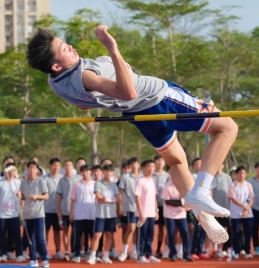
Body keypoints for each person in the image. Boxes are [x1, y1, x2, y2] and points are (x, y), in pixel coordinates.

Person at [26, 25, 236, 243]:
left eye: (65, 43)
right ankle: (201, 191)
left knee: (175, 162)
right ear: (57, 64)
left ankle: (202, 215)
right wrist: (112, 49)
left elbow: (82, 106)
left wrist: (106, 73)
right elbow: (128, 92)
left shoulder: (55, 82)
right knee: (227, 128)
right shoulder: (85, 75)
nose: (70, 47)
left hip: (139, 114)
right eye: (64, 49)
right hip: (160, 98)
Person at [88, 164, 121, 265]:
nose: (108, 173)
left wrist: (108, 199)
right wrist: (107, 199)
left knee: (109, 234)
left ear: (112, 173)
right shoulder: (98, 183)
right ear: (103, 172)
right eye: (106, 171)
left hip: (111, 214)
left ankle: (106, 255)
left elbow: (118, 198)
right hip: (101, 214)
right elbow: (98, 196)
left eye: (110, 171)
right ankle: (92, 256)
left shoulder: (114, 185)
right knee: (97, 235)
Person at [0, 164, 25, 262]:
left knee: (16, 234)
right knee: (2, 234)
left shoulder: (18, 183)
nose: (11, 173)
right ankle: (3, 253)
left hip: (14, 213)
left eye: (13, 170)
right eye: (9, 171)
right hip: (2, 214)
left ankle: (19, 253)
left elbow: (23, 197)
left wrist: (21, 208)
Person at [20, 161, 50, 268]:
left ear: (37, 170)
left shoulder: (41, 181)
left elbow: (46, 196)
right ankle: (33, 259)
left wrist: (37, 196)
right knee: (30, 238)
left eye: (34, 168)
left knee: (40, 237)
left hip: (39, 214)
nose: (32, 170)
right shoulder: (23, 183)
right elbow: (23, 197)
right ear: (27, 170)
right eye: (30, 168)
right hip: (28, 214)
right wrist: (19, 195)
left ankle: (45, 259)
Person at [163, 170, 193, 262]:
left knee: (185, 233)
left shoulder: (183, 187)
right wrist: (181, 202)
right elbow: (167, 201)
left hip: (181, 214)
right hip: (169, 215)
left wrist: (188, 205)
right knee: (171, 233)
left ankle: (186, 254)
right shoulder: (167, 187)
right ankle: (173, 254)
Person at [135, 160, 161, 264]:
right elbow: (137, 197)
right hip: (142, 214)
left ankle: (148, 254)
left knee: (150, 234)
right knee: (142, 235)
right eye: (148, 167)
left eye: (152, 167)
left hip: (151, 213)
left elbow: (154, 197)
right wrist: (141, 213)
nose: (150, 169)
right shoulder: (140, 181)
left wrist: (156, 210)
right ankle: (140, 255)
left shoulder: (152, 180)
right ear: (143, 168)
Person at [69, 165, 96, 263]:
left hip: (92, 214)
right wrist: (71, 213)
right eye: (83, 171)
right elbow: (72, 200)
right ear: (80, 173)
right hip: (79, 215)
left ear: (90, 172)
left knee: (93, 235)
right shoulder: (77, 185)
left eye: (87, 171)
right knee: (78, 235)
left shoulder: (95, 184)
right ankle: (76, 254)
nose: (85, 173)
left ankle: (93, 254)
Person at [56, 160, 82, 260]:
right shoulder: (61, 181)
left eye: (70, 165)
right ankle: (66, 251)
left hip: (77, 210)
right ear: (63, 168)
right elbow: (59, 196)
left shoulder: (79, 179)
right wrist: (58, 210)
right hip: (65, 209)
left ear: (73, 167)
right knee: (65, 231)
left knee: (76, 232)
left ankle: (76, 250)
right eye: (66, 165)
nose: (68, 167)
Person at [228, 166, 254, 259]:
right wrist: (244, 206)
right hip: (236, 214)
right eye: (240, 173)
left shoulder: (248, 185)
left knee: (248, 233)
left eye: (243, 173)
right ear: (236, 174)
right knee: (236, 233)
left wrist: (248, 207)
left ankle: (247, 251)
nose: (242, 175)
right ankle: (236, 251)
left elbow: (252, 198)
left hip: (248, 214)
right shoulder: (232, 185)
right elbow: (233, 198)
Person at [118, 157, 141, 261]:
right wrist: (120, 206)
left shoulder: (142, 177)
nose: (134, 166)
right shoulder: (125, 177)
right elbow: (121, 193)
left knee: (137, 230)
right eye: (132, 164)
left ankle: (135, 251)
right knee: (131, 228)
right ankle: (124, 251)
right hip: (131, 208)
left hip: (141, 208)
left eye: (136, 163)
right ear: (129, 166)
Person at [44, 158, 64, 260]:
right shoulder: (44, 179)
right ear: (50, 166)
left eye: (58, 166)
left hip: (58, 210)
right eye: (54, 165)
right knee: (46, 231)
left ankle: (58, 251)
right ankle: (45, 251)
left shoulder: (62, 178)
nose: (56, 168)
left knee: (57, 231)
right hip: (46, 210)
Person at [153, 154, 170, 257]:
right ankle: (158, 249)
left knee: (168, 227)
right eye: (158, 160)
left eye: (162, 160)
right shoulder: (151, 175)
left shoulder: (168, 176)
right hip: (154, 205)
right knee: (159, 228)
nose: (160, 162)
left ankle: (166, 249)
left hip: (166, 205)